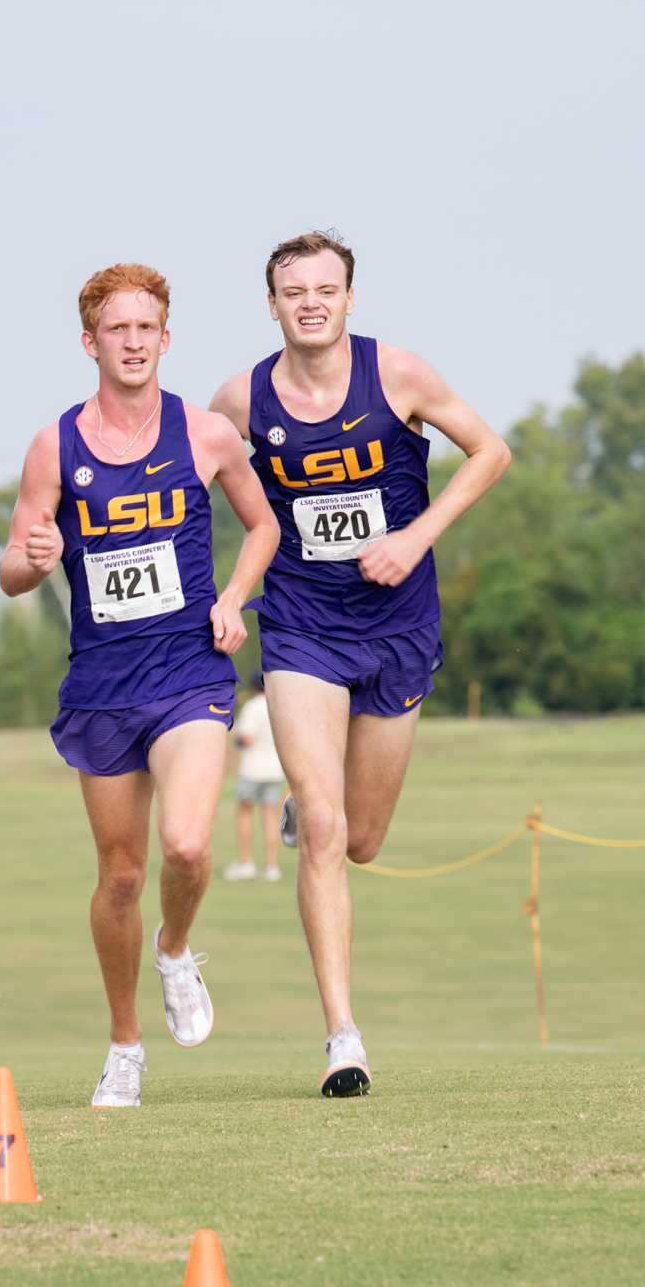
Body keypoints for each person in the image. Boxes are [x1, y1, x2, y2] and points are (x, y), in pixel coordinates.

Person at [210, 230, 510, 1098]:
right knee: (327, 826)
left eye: (326, 288)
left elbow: (491, 451)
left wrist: (417, 536)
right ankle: (343, 1036)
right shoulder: (241, 396)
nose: (310, 301)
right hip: (302, 623)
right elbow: (184, 474)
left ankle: (319, 816)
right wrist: (227, 594)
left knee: (363, 838)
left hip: (398, 626)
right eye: (293, 289)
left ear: (350, 299)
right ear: (272, 304)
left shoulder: (400, 376)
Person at [0, 262, 279, 1108]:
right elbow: (14, 564)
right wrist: (32, 559)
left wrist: (234, 599)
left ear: (165, 337)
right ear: (90, 341)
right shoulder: (56, 445)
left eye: (145, 327)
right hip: (102, 683)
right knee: (120, 873)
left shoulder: (204, 434)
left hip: (190, 669)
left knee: (189, 846)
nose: (132, 342)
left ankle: (177, 947)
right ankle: (125, 1044)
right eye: (116, 329)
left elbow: (263, 525)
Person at [223, 676, 284, 881]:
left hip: (253, 769)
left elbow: (247, 739)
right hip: (275, 770)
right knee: (270, 816)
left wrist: (236, 741)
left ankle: (246, 862)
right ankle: (271, 866)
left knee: (244, 814)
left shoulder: (253, 707)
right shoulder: (279, 705)